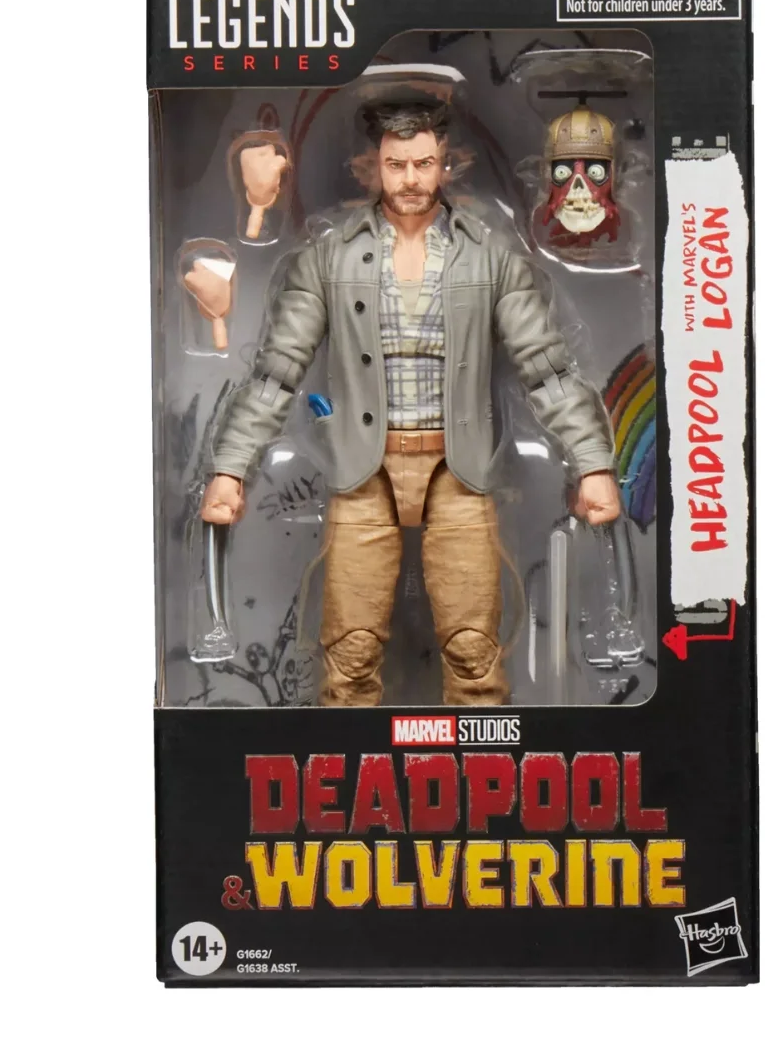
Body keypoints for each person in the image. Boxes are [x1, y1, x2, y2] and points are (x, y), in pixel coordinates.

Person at [200, 101, 620, 706]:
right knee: (349, 654)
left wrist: (592, 463)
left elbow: (547, 368)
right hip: (363, 469)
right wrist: (230, 467)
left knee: (475, 652)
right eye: (396, 165)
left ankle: (482, 763)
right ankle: (345, 763)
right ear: (370, 167)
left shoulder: (488, 253)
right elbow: (276, 371)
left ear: (447, 164)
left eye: (424, 163)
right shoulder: (330, 256)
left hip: (460, 466)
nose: (411, 179)